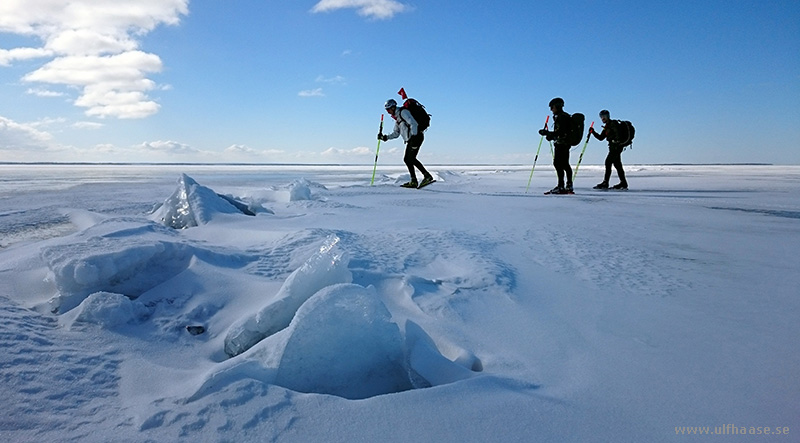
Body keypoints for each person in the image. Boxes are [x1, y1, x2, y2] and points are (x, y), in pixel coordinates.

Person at [379, 99, 434, 188]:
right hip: (412, 139)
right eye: (387, 110)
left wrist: (414, 135)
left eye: (389, 109)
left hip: (416, 137)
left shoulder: (403, 112)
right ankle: (416, 180)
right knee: (408, 159)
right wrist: (385, 137)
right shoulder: (398, 118)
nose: (388, 112)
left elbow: (413, 123)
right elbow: (396, 133)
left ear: (393, 107)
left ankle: (425, 177)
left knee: (410, 158)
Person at [538, 97, 573, 193]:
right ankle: (568, 185)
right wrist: (551, 136)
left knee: (558, 164)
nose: (551, 110)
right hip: (564, 143)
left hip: (562, 144)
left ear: (557, 106)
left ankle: (561, 186)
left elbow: (561, 132)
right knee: (565, 164)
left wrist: (548, 133)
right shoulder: (564, 116)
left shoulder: (562, 117)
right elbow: (560, 132)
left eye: (552, 107)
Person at [588, 109, 628, 190]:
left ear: (608, 116)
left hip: (616, 147)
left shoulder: (613, 124)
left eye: (604, 116)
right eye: (601, 117)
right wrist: (593, 132)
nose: (603, 118)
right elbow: (601, 138)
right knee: (617, 165)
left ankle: (606, 182)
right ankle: (623, 183)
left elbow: (618, 135)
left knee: (608, 162)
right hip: (613, 147)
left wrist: (616, 142)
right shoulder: (606, 126)